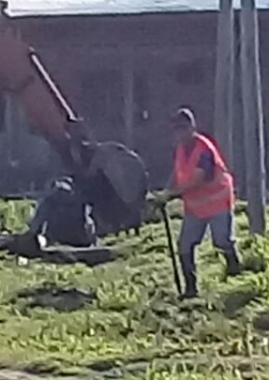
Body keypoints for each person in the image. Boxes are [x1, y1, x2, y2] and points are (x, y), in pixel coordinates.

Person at [159, 107, 242, 299]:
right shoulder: (181, 149)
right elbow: (178, 173)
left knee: (222, 241)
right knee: (185, 245)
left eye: (183, 128)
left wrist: (171, 195)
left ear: (192, 127)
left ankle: (235, 270)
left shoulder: (204, 149)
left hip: (218, 200)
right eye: (176, 129)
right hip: (196, 206)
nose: (179, 133)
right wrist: (166, 190)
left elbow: (199, 179)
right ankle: (191, 289)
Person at [75, 140, 149, 237]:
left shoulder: (100, 154)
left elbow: (91, 173)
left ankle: (119, 227)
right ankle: (131, 229)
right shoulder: (112, 148)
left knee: (116, 205)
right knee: (131, 206)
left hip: (126, 183)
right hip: (137, 179)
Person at [23, 176, 97, 249]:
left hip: (56, 240)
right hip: (79, 241)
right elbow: (90, 225)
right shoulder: (81, 201)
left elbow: (36, 224)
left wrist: (31, 235)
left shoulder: (49, 201)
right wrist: (92, 241)